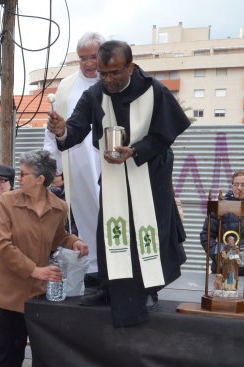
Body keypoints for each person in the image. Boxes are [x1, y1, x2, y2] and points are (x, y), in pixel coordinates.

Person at [47, 40, 190, 327]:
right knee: (111, 230)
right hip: (114, 178)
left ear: (130, 67)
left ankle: (148, 290)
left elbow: (165, 135)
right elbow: (75, 129)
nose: (108, 80)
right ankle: (108, 286)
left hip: (149, 175)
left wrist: (135, 151)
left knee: (147, 233)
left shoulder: (154, 90)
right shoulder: (95, 93)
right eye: (103, 73)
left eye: (114, 73)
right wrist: (62, 130)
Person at [0, 150, 87, 367]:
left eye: (23, 174)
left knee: (17, 348)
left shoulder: (59, 207)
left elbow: (58, 236)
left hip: (32, 290)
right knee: (0, 349)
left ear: (39, 179)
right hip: (1, 286)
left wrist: (75, 242)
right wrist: (35, 269)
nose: (19, 178)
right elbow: (1, 244)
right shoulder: (8, 201)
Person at [43, 31, 105, 281]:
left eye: (94, 57)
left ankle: (117, 272)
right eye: (83, 58)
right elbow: (53, 129)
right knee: (86, 214)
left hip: (108, 160)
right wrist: (51, 166)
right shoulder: (67, 87)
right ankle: (94, 270)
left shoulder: (114, 80)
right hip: (77, 160)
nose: (89, 63)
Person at [200, 171, 244, 277]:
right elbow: (206, 235)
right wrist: (217, 255)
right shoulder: (220, 209)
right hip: (223, 268)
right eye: (236, 184)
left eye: (243, 185)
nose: (239, 188)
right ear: (232, 186)